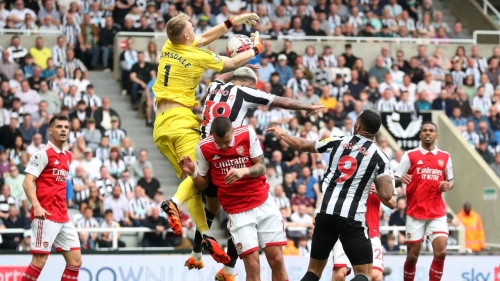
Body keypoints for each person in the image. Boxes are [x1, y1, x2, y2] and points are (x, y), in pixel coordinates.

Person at [180, 67, 324, 276]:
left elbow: (220, 76)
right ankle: (219, 262)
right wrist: (306, 106)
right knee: (250, 260)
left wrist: (237, 64)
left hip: (219, 157)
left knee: (211, 209)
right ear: (248, 84)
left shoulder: (215, 85)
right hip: (216, 159)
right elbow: (278, 101)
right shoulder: (244, 97)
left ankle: (200, 254)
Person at [152, 11, 262, 263]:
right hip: (180, 121)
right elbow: (231, 64)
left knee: (191, 177)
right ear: (186, 35)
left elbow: (202, 36)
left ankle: (205, 234)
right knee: (198, 178)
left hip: (160, 125)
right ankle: (174, 203)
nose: (196, 30)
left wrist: (231, 22)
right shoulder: (196, 55)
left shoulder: (170, 45)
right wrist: (255, 49)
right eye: (192, 26)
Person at [267, 110, 395, 281]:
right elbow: (387, 195)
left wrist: (283, 134)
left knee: (313, 271)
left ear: (357, 126)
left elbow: (304, 145)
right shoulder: (381, 157)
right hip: (352, 219)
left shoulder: (338, 140)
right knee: (364, 273)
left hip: (325, 214)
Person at [178, 117, 288, 281]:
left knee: (277, 260)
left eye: (227, 141)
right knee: (252, 265)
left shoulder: (247, 134)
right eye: (218, 142)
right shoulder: (203, 147)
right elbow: (205, 183)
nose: (222, 146)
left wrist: (243, 171)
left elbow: (262, 167)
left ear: (233, 131)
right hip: (237, 211)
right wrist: (193, 172)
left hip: (263, 202)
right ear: (212, 135)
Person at [21, 114, 82, 281]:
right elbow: (27, 183)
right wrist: (37, 206)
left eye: (66, 127)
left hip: (62, 215)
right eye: (59, 127)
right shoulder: (43, 153)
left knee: (75, 261)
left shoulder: (68, 156)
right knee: (39, 261)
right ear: (50, 130)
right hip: (45, 214)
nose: (63, 130)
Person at [395, 121, 454, 281]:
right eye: (425, 131)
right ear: (420, 134)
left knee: (441, 252)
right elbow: (394, 180)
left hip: (437, 213)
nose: (428, 133)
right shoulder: (410, 155)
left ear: (436, 135)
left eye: (431, 131)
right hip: (415, 213)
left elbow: (451, 179)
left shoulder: (445, 156)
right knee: (412, 257)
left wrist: (448, 184)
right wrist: (400, 179)